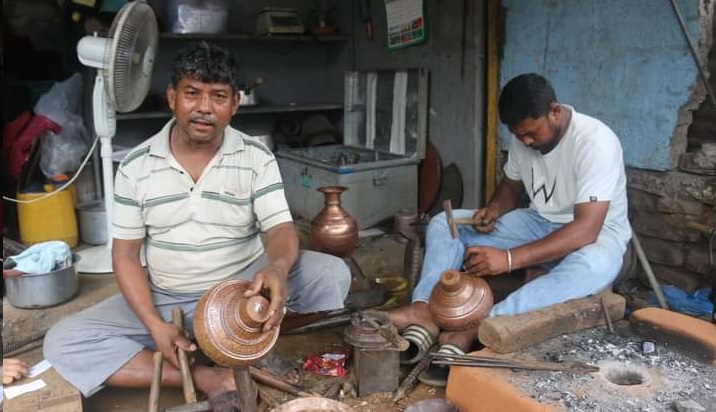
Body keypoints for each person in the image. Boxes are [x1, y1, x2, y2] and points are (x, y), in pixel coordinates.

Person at [43, 41, 351, 409]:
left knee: (331, 275)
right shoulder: (135, 167)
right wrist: (154, 324)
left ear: (235, 104)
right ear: (172, 97)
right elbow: (125, 256)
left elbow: (280, 229)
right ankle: (209, 373)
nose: (205, 108)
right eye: (192, 93)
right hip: (169, 294)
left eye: (218, 96)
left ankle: (245, 341)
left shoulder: (256, 157)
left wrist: (277, 268)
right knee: (63, 341)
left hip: (244, 287)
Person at [389, 73, 632, 366]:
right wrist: (493, 210)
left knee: (595, 267)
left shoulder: (595, 142)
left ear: (554, 111)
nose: (526, 141)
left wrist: (508, 258)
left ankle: (484, 323)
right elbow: (511, 186)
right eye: (519, 136)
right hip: (539, 221)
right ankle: (424, 308)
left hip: (597, 233)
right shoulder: (524, 139)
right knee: (444, 224)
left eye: (531, 133)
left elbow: (585, 229)